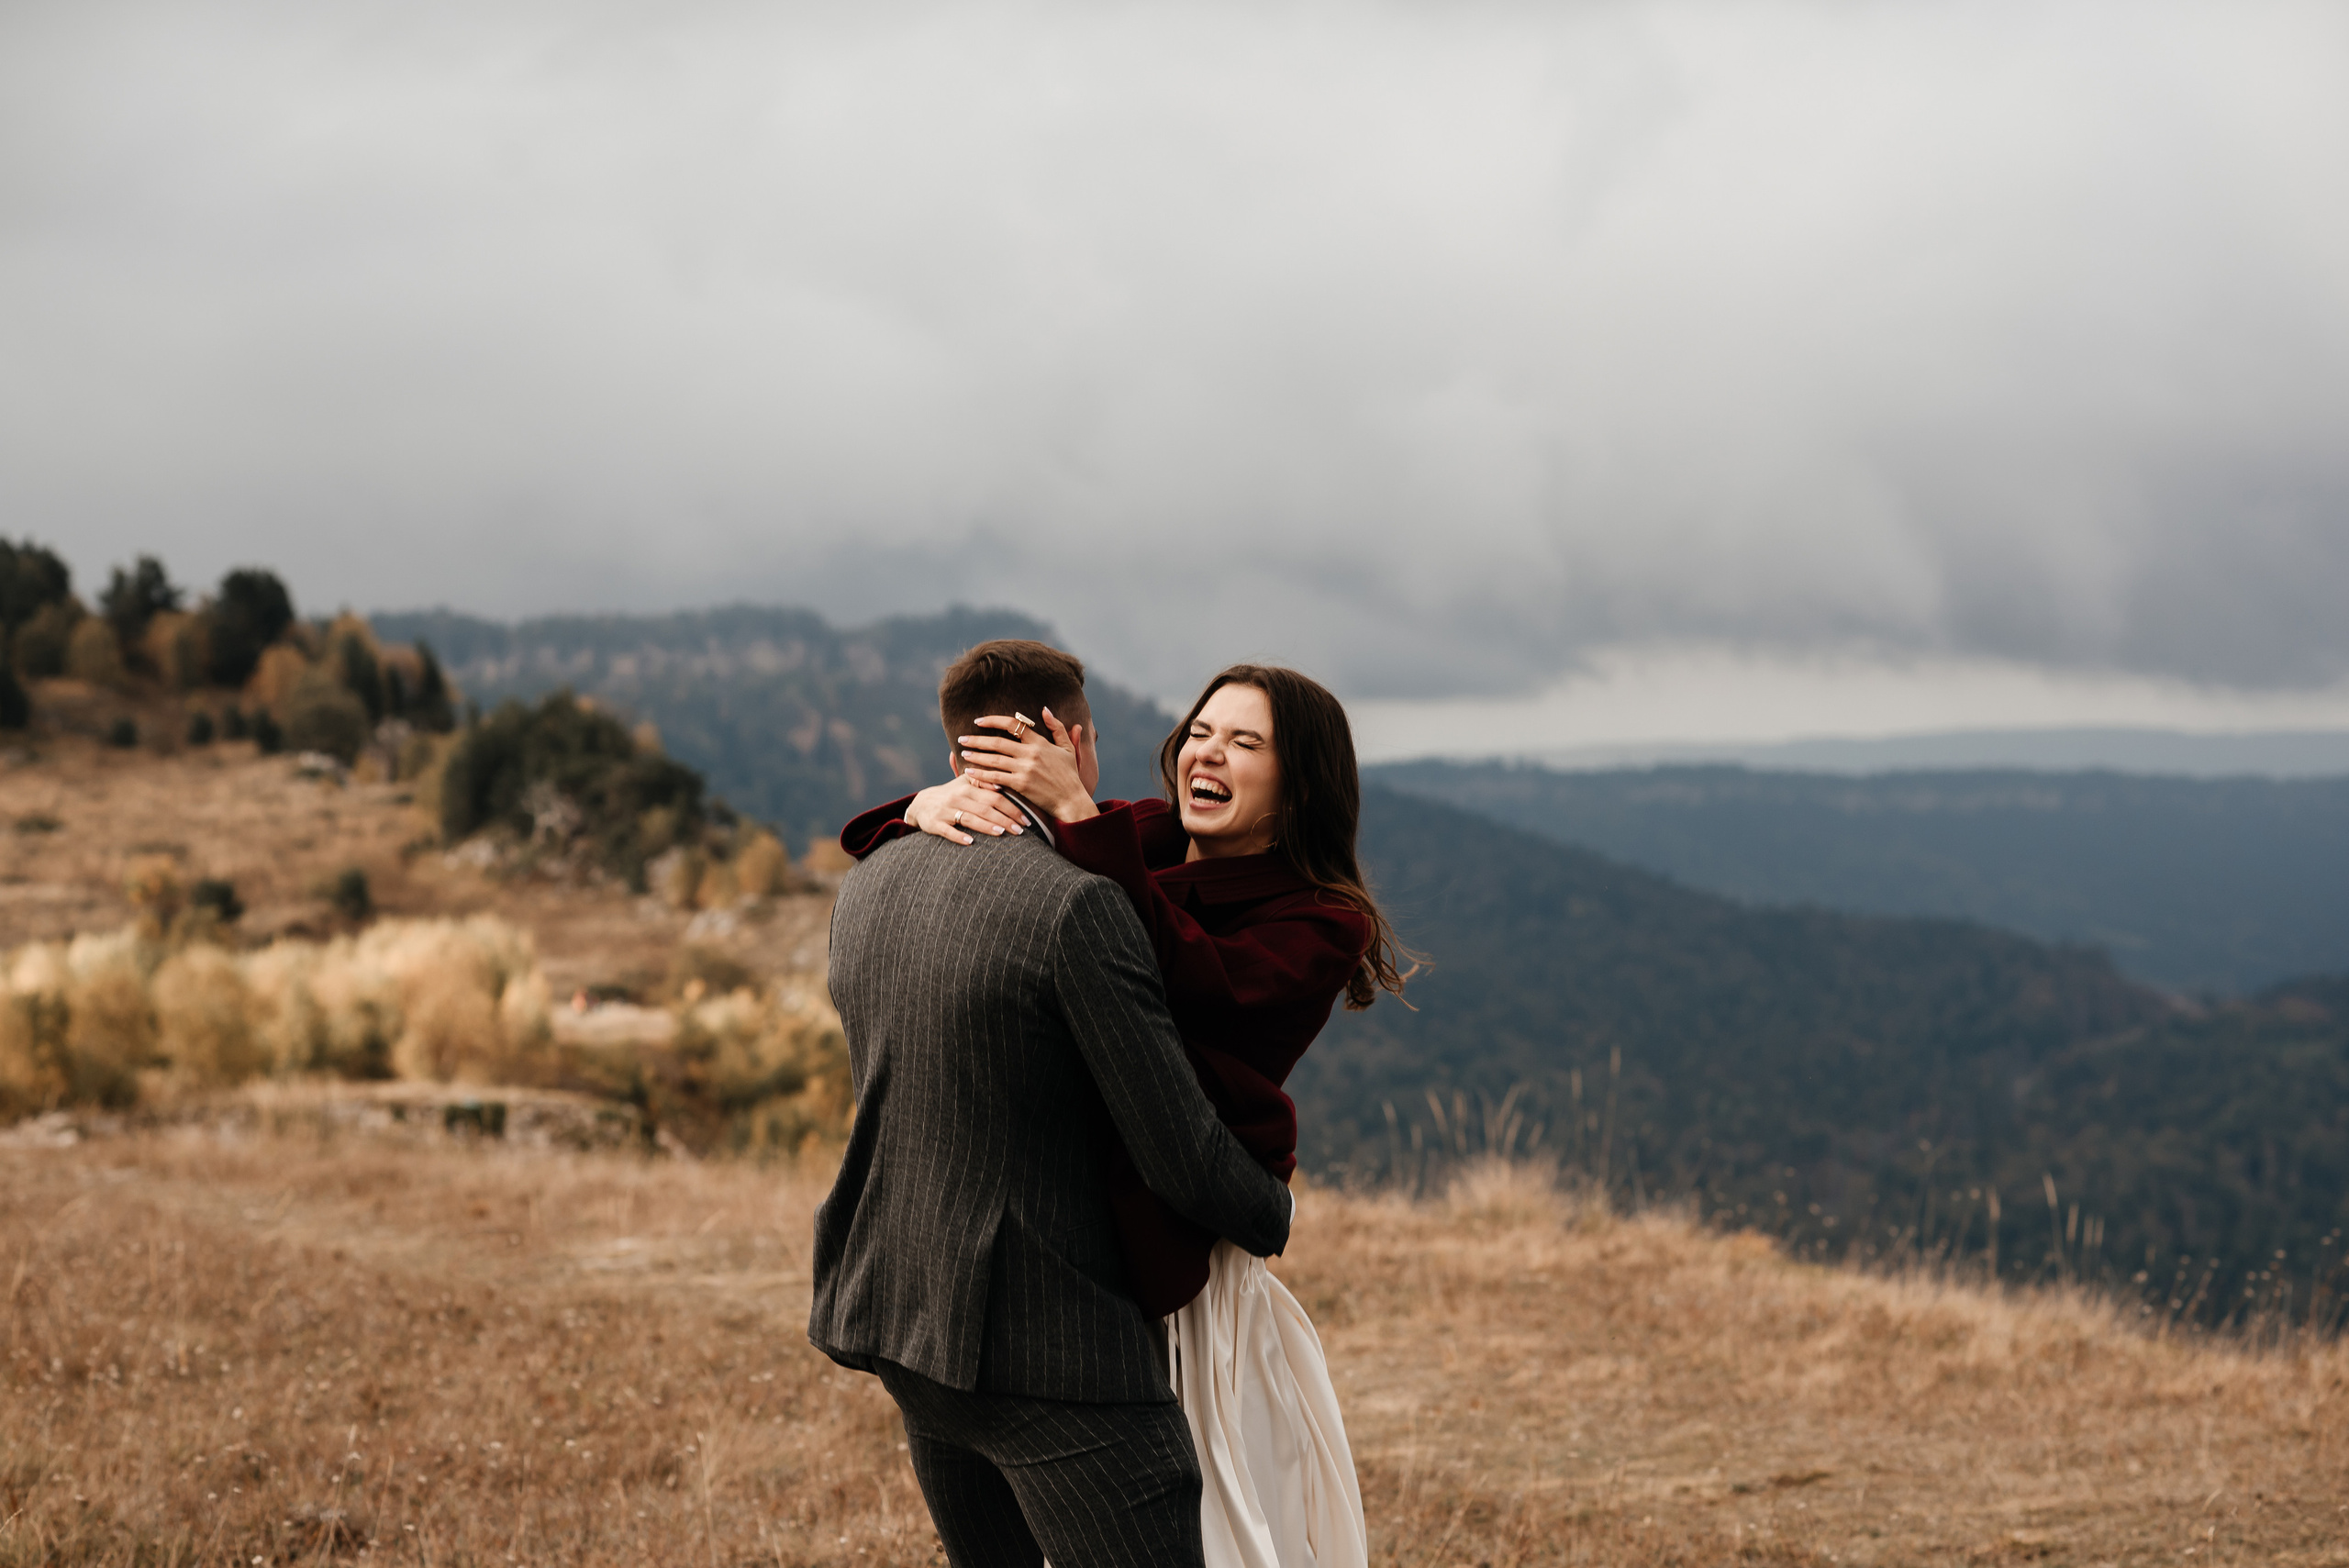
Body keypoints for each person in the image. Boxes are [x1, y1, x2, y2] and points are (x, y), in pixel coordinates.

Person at [841, 660, 1413, 1568]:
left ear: (1299, 783)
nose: (1208, 752)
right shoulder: (1143, 833)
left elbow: (1186, 973)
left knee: (1217, 1520)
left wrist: (1075, 818)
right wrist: (918, 807)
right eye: (1200, 731)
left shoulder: (1318, 918)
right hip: (1066, 1215)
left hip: (1172, 1231)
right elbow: (1014, 869)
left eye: (1245, 742)